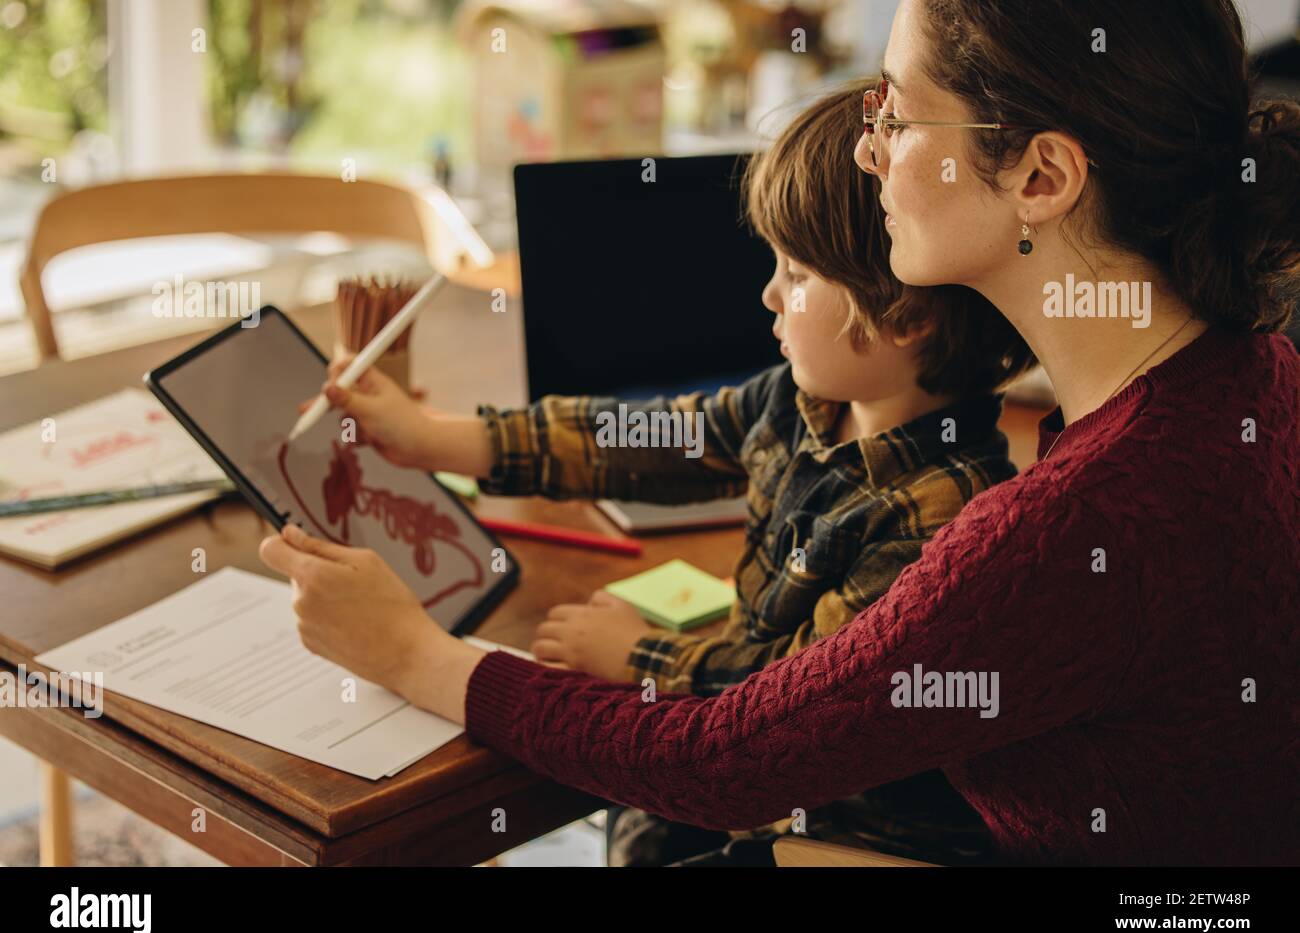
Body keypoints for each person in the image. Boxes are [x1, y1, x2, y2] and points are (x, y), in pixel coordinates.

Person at [261, 0, 1300, 865]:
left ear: (1039, 177)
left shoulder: (1056, 527)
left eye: (897, 114)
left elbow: (720, 759)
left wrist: (412, 653)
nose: (866, 147)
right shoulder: (1250, 374)